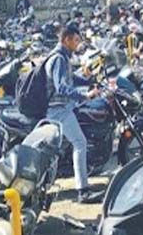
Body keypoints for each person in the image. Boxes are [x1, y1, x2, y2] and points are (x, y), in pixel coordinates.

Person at [45, 25, 103, 204]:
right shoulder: (59, 59)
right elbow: (61, 87)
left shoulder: (63, 57)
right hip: (58, 109)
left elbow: (71, 78)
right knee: (80, 143)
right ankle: (82, 191)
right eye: (76, 40)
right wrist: (85, 95)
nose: (78, 44)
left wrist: (88, 80)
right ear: (66, 40)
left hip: (63, 107)